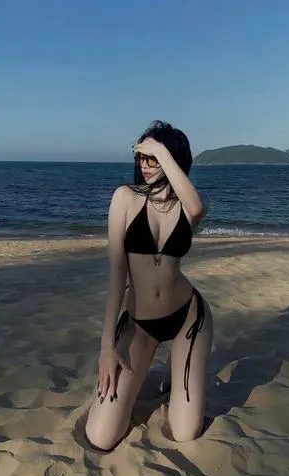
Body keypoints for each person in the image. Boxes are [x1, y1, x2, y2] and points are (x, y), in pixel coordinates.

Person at [84, 120, 213, 452]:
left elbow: (196, 209)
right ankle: (167, 369)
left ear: (172, 159)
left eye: (152, 157)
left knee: (185, 433)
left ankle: (177, 368)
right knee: (100, 436)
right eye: (141, 156)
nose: (145, 164)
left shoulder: (190, 203)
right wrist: (107, 346)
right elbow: (117, 273)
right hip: (140, 323)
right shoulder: (125, 198)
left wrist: (160, 152)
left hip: (187, 318)